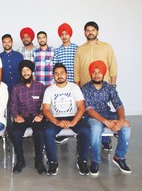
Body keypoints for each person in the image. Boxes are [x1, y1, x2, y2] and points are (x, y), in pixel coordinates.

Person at [81, 60, 131, 175]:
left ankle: (119, 157)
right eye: (94, 72)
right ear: (90, 74)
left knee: (126, 126)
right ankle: (95, 160)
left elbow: (118, 104)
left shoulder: (109, 87)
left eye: (99, 72)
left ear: (103, 74)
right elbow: (89, 109)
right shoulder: (85, 88)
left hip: (107, 113)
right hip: (91, 116)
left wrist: (121, 120)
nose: (97, 74)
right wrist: (105, 122)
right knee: (96, 129)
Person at [74, 21, 118, 151]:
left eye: (93, 30)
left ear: (97, 31)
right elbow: (76, 69)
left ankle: (105, 140)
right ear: (84, 33)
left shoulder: (106, 47)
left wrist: (113, 84)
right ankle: (86, 138)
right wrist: (77, 88)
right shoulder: (80, 49)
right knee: (86, 113)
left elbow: (113, 65)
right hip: (85, 88)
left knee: (104, 110)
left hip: (103, 86)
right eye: (88, 30)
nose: (90, 32)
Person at [42, 63, 90, 176]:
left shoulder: (74, 87)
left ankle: (82, 160)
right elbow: (45, 110)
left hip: (73, 116)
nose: (59, 75)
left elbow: (82, 107)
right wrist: (57, 122)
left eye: (62, 73)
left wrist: (73, 122)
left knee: (86, 131)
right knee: (48, 132)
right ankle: (52, 161)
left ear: (67, 74)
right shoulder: (49, 90)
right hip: (56, 118)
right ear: (53, 76)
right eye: (56, 73)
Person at [10, 60, 46, 174]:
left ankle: (39, 161)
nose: (25, 72)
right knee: (15, 133)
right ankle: (20, 160)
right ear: (21, 73)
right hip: (23, 117)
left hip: (37, 117)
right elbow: (13, 106)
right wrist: (16, 116)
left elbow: (46, 105)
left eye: (28, 70)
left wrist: (41, 115)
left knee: (40, 132)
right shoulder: (16, 88)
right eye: (23, 70)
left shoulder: (41, 87)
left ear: (32, 71)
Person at [53, 23, 78, 144]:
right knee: (62, 106)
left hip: (74, 84)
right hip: (62, 85)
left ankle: (77, 129)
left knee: (75, 108)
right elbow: (55, 68)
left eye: (66, 33)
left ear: (70, 34)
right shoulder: (57, 51)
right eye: (62, 34)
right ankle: (63, 132)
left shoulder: (77, 49)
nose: (64, 36)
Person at [0, 34, 23, 131]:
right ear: (2, 44)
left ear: (12, 42)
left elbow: (22, 72)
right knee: (8, 110)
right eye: (5, 42)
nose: (7, 44)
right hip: (5, 88)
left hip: (18, 87)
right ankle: (9, 130)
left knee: (20, 108)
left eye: (9, 41)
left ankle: (20, 128)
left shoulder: (19, 56)